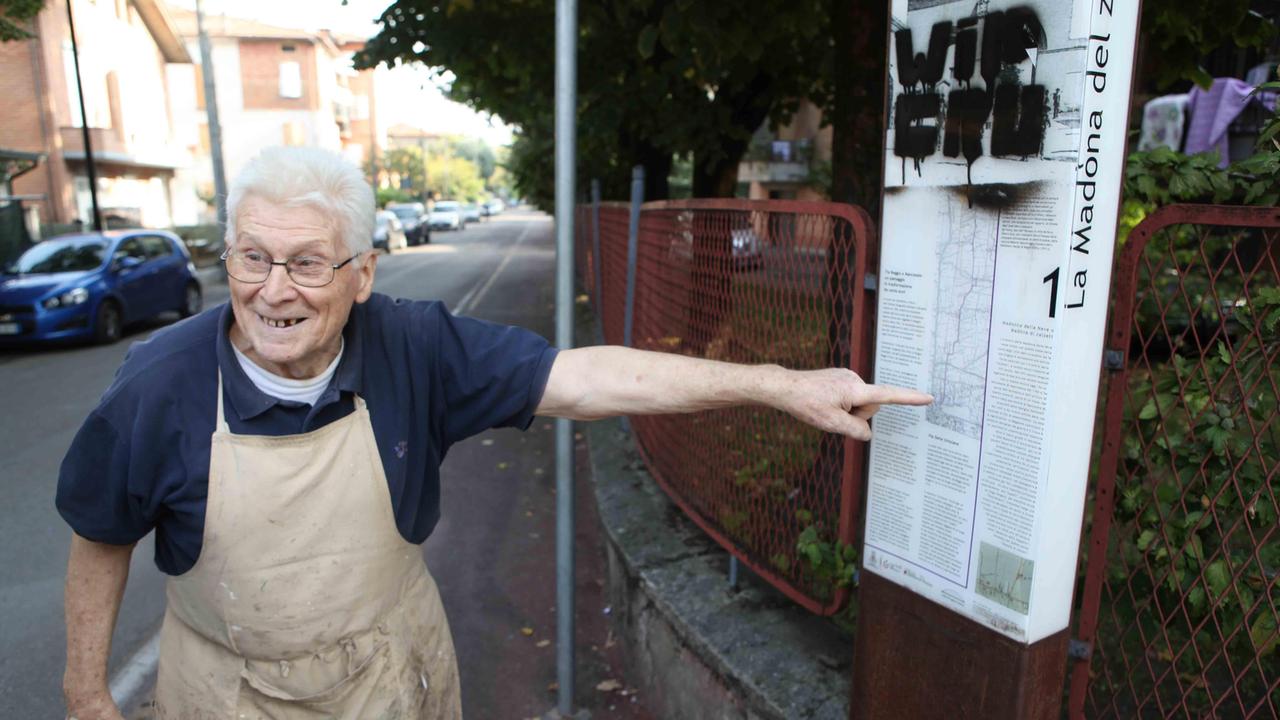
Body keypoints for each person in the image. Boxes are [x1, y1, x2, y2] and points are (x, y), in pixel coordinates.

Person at [57, 146, 931, 719]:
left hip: (388, 680)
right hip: (224, 691)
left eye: (309, 263)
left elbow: (589, 377)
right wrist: (86, 689)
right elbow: (100, 532)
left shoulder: (416, 346)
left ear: (361, 276)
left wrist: (780, 386)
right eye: (252, 257)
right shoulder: (160, 383)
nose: (272, 291)